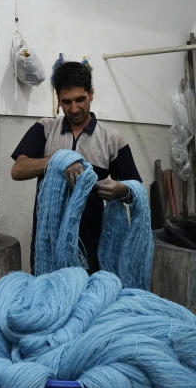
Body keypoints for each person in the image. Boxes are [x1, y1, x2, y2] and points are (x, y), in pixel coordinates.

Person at [11, 61, 142, 273]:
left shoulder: (112, 139)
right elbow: (18, 170)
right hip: (47, 243)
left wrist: (121, 190)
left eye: (80, 99)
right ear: (58, 100)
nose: (74, 109)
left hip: (93, 243)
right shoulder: (45, 129)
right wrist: (57, 160)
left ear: (91, 93)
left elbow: (135, 190)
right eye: (66, 102)